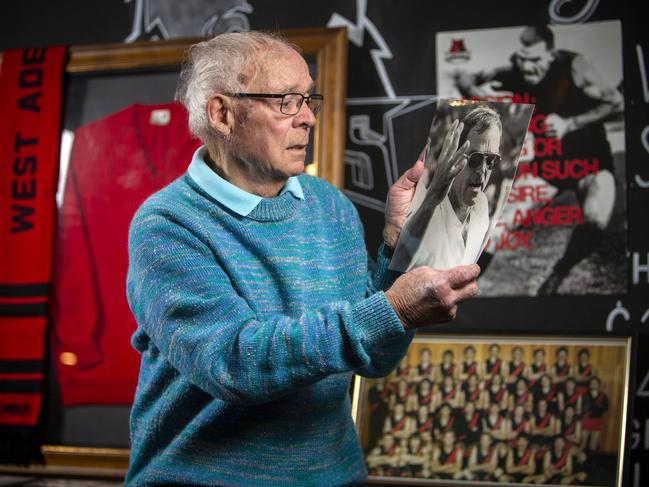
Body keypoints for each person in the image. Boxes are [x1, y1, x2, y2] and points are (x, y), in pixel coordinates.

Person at [125, 31, 480, 486]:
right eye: (287, 102)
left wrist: (400, 250)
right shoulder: (166, 224)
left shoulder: (330, 206)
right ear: (222, 113)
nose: (309, 117)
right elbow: (233, 364)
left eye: (309, 98)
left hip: (336, 477)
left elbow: (374, 357)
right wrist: (393, 309)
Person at [456, 25, 623, 294]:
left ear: (551, 54)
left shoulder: (575, 66)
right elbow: (466, 78)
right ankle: (461, 292)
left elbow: (616, 102)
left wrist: (571, 123)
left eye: (535, 61)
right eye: (522, 60)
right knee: (495, 230)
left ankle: (558, 274)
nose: (527, 68)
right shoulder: (516, 71)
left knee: (596, 222)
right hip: (549, 167)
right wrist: (480, 94)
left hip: (591, 163)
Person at [391, 106, 503, 271]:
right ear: (453, 156)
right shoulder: (425, 210)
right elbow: (399, 264)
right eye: (475, 159)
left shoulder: (481, 205)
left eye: (491, 160)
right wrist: (433, 198)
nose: (482, 170)